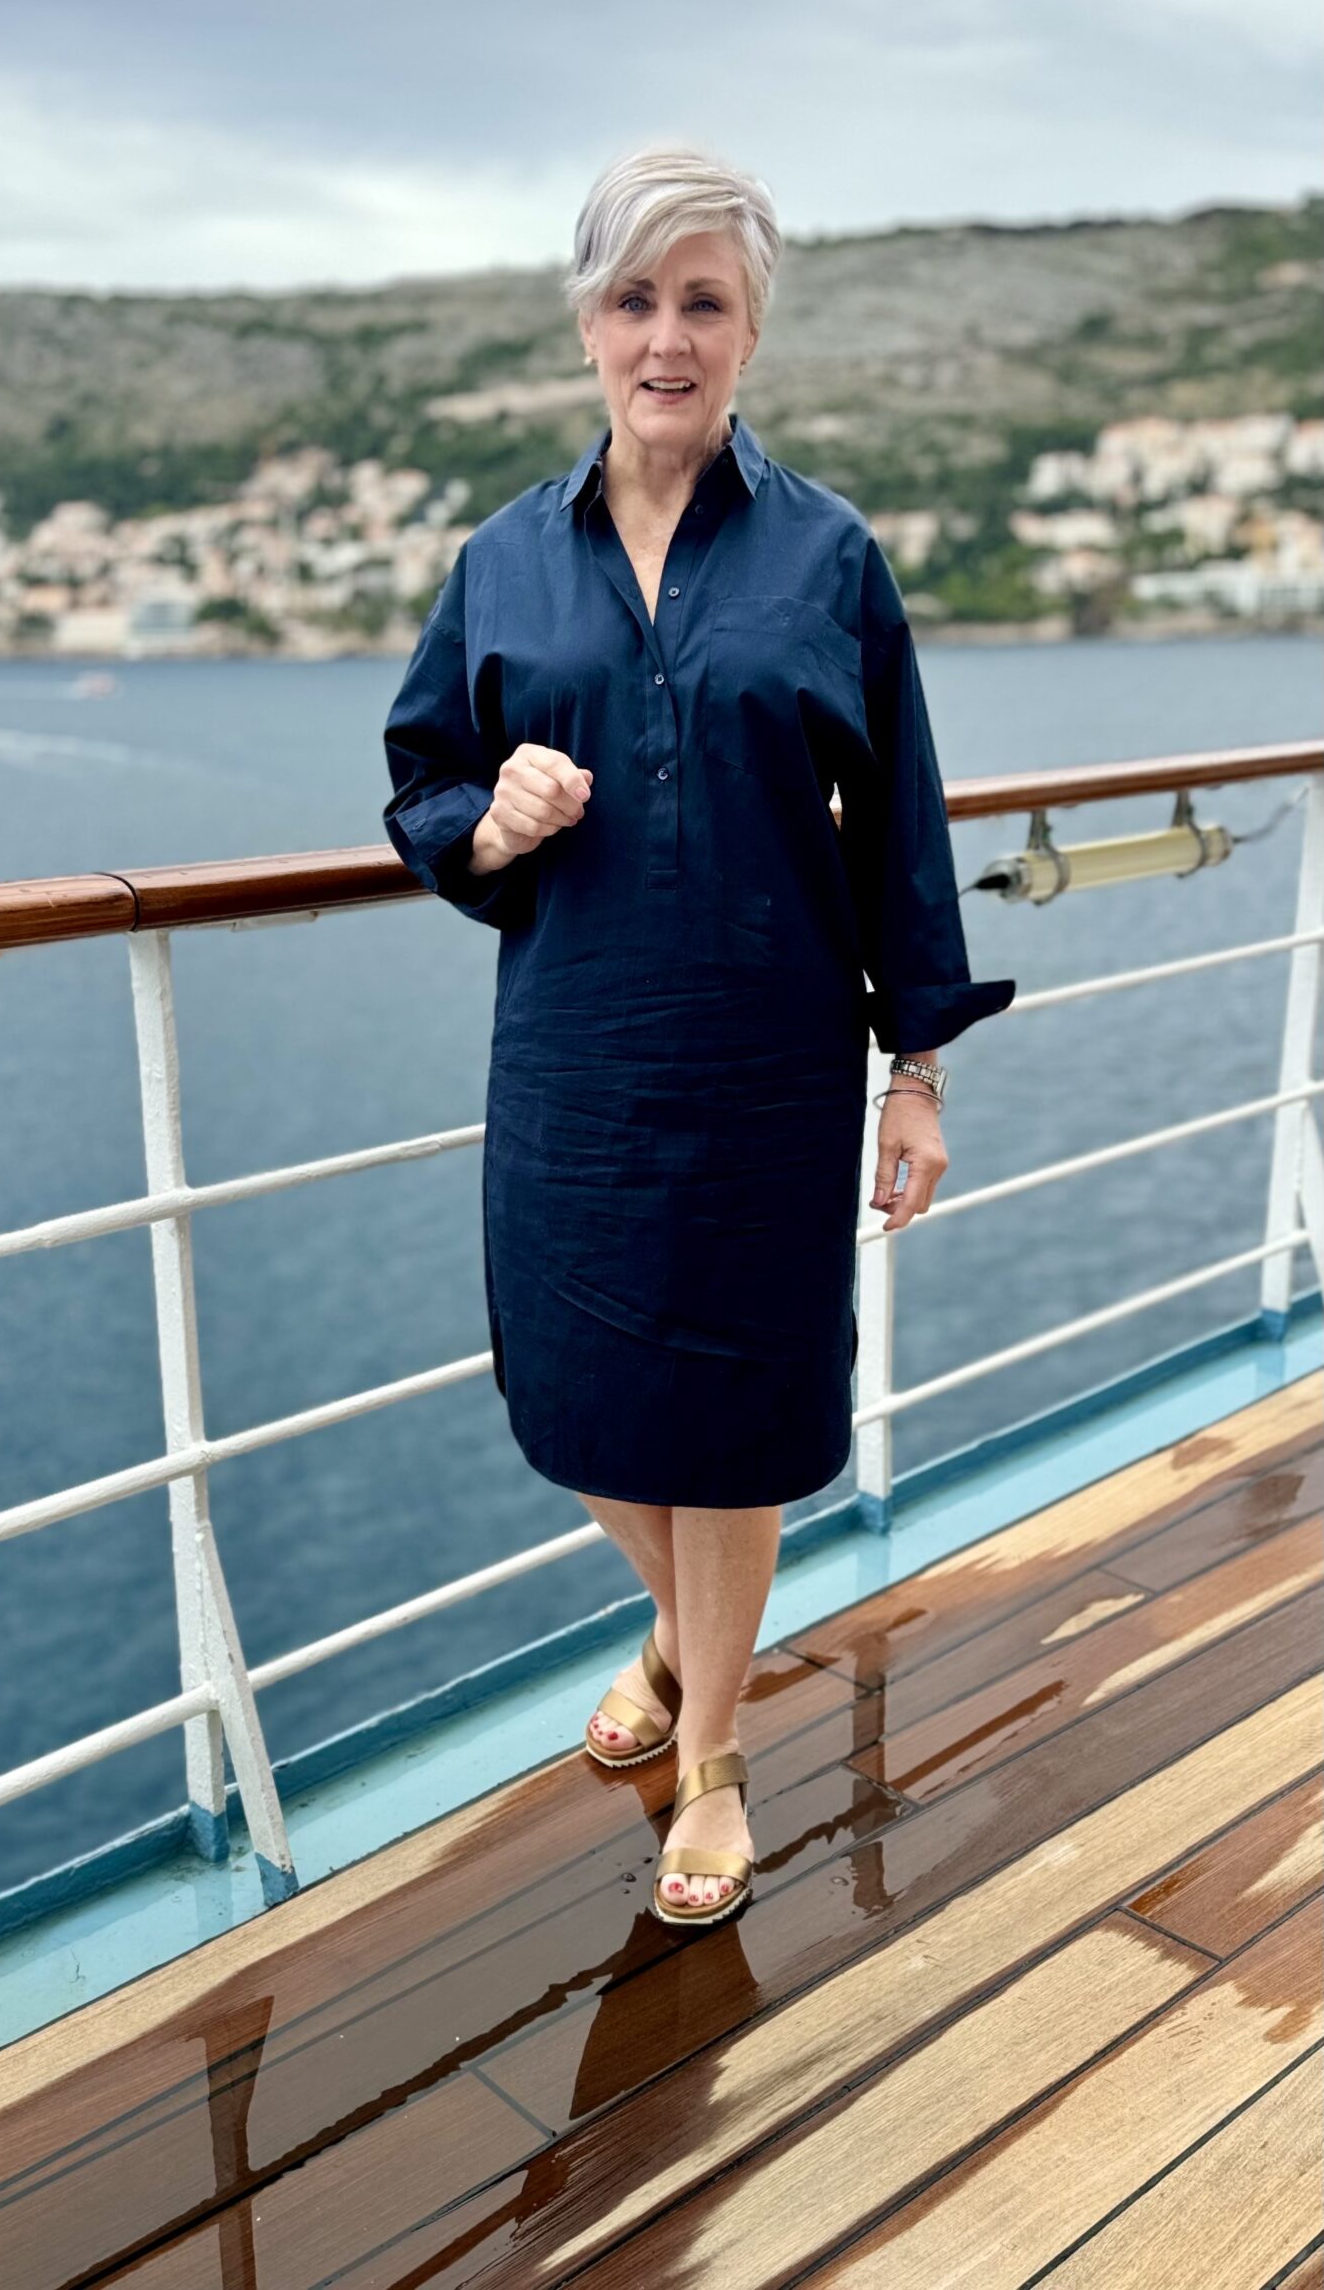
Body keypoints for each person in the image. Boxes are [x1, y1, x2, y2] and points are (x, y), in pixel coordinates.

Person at [382, 144, 1016, 1928]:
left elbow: (901, 822)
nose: (667, 337)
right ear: (587, 322)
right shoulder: (502, 562)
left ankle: (714, 1753)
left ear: (749, 335)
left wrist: (916, 1072)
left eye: (704, 303)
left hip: (766, 1061)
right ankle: (677, 1642)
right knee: (575, 1401)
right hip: (573, 1057)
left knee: (736, 1416)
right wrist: (486, 819)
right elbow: (420, 779)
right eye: (636, 299)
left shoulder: (825, 556)